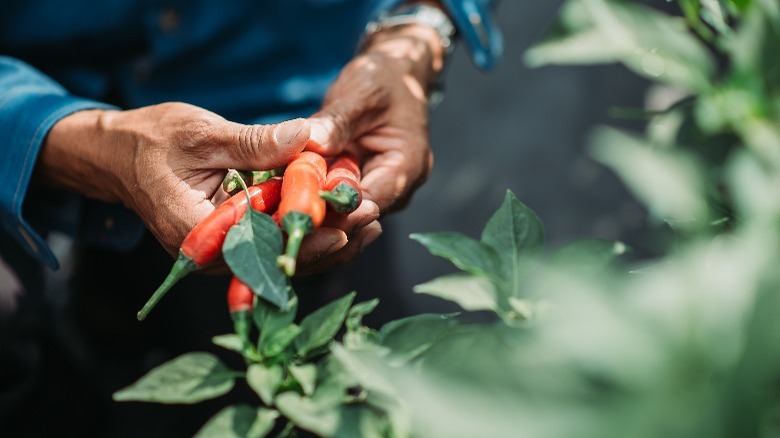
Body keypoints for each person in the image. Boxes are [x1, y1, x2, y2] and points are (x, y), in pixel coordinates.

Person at [0, 0, 502, 435]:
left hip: (303, 114)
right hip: (37, 101)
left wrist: (417, 33)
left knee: (368, 387)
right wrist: (80, 139)